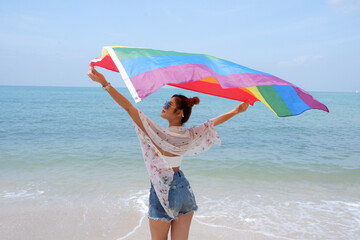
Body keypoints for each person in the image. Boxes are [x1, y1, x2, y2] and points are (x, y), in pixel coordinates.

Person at [88, 66, 249, 240]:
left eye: (169, 105)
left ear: (179, 113)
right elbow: (212, 123)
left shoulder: (158, 133)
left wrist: (105, 83)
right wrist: (236, 111)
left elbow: (128, 107)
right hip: (183, 189)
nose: (164, 106)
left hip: (162, 189)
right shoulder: (190, 134)